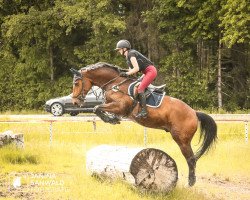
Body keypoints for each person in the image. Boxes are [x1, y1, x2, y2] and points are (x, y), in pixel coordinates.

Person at [115, 39, 158, 118]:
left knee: (140, 89)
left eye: (119, 49)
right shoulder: (128, 56)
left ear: (124, 49)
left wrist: (126, 73)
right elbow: (131, 70)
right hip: (146, 72)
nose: (118, 51)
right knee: (136, 86)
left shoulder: (131, 54)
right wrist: (121, 71)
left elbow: (136, 68)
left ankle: (144, 111)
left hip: (150, 71)